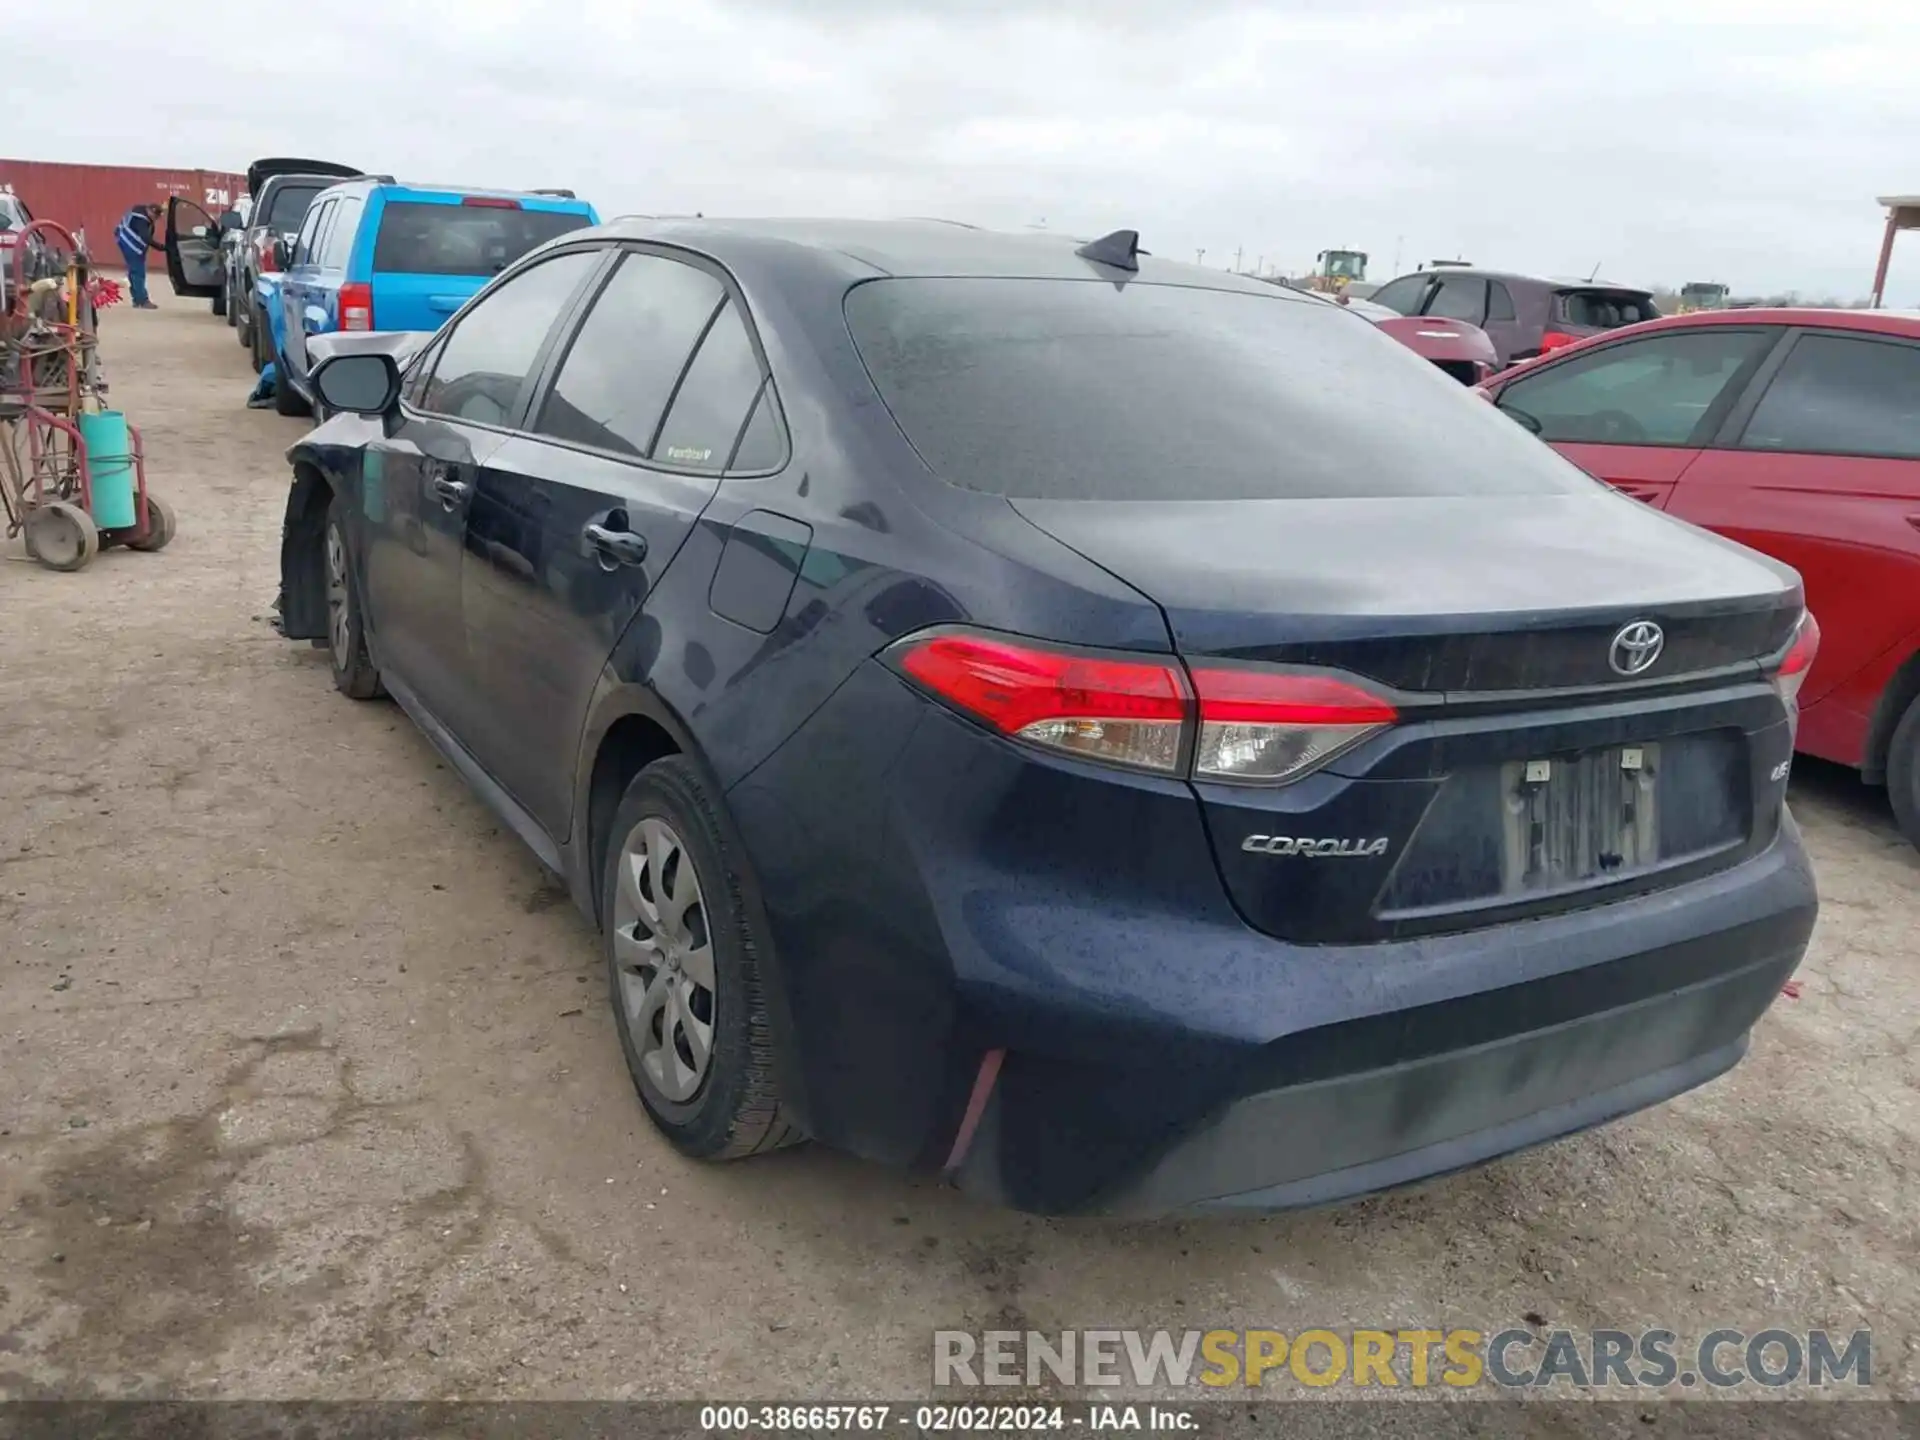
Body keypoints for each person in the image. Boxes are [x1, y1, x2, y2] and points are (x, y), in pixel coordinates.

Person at [114, 202, 166, 309]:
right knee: (138, 273)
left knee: (134, 272)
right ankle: (143, 300)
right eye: (155, 217)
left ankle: (137, 300)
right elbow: (145, 238)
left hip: (125, 241)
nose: (155, 220)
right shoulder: (141, 220)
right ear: (150, 211)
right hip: (131, 246)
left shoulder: (139, 210)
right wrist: (161, 247)